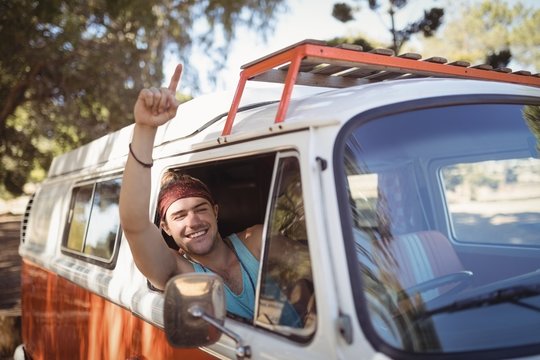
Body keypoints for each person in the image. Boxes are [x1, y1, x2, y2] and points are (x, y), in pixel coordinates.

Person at [119, 64, 263, 319]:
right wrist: (145, 129)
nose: (193, 221)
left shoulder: (257, 241)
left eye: (200, 209)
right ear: (164, 227)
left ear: (215, 211)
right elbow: (134, 223)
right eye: (179, 216)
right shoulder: (179, 271)